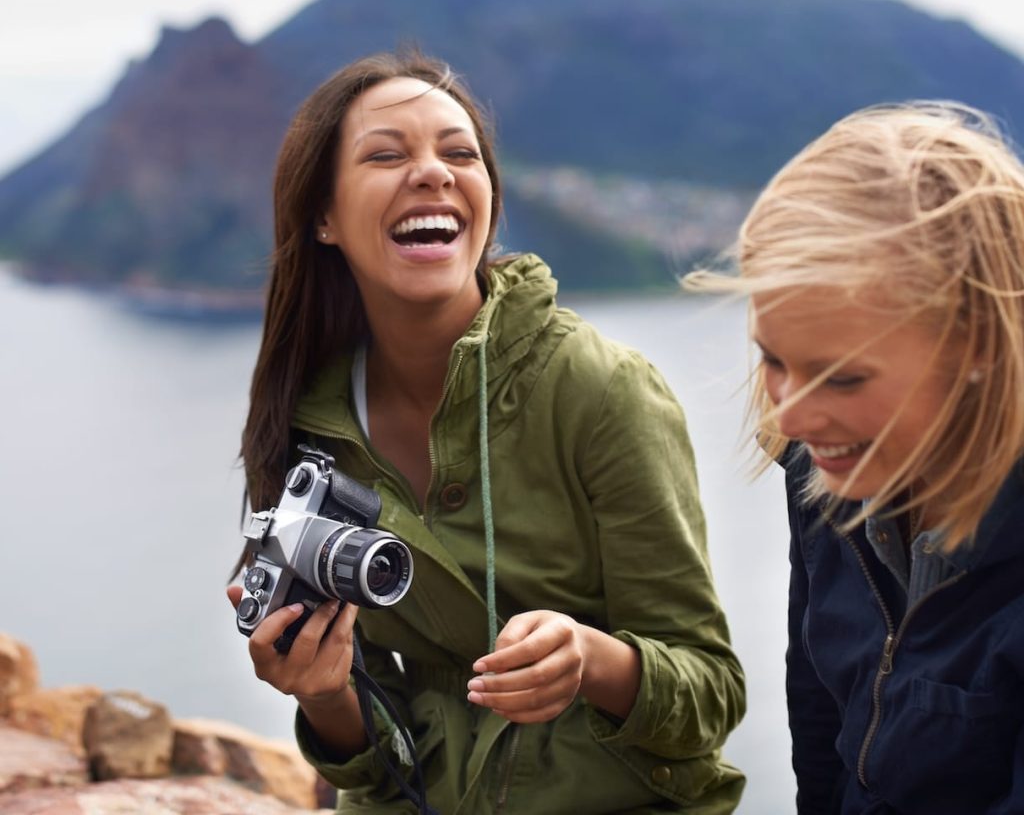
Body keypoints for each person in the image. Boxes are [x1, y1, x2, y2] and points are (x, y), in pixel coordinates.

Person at [228, 50, 745, 814]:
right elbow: (371, 764)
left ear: (488, 202)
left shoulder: (600, 390)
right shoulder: (314, 425)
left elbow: (711, 694)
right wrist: (323, 696)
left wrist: (590, 659)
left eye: (459, 153)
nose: (434, 172)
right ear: (324, 217)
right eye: (386, 154)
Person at [684, 101, 1024, 813]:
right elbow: (820, 716)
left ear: (978, 351)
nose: (788, 416)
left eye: (842, 376)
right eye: (773, 360)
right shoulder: (824, 472)